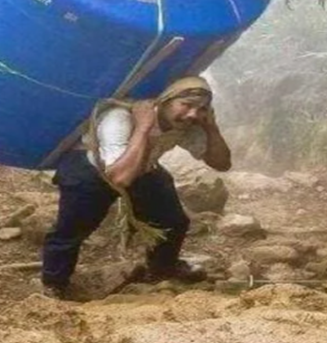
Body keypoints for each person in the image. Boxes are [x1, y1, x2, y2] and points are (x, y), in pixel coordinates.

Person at [41, 76, 232, 299]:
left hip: (139, 166)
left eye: (201, 109)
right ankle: (54, 284)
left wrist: (211, 128)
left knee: (173, 221)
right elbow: (119, 178)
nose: (192, 114)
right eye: (186, 105)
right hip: (93, 169)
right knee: (72, 230)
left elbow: (221, 163)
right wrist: (142, 128)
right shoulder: (119, 118)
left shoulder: (187, 124)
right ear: (165, 101)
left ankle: (162, 269)